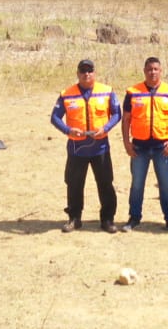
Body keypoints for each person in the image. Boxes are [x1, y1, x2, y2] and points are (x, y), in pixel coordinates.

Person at [50, 59, 121, 233]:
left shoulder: (107, 91)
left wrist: (105, 128)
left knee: (105, 184)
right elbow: (55, 117)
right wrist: (68, 130)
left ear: (94, 73)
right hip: (77, 149)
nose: (86, 74)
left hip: (100, 147)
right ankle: (74, 218)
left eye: (89, 71)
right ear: (77, 73)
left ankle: (107, 220)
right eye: (83, 71)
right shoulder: (67, 94)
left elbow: (117, 114)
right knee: (74, 184)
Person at [120, 56, 168, 232]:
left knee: (166, 185)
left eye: (155, 69)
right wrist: (126, 142)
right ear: (144, 71)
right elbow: (126, 119)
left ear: (161, 71)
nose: (152, 72)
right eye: (149, 69)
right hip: (139, 147)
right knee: (137, 184)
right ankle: (134, 218)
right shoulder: (133, 92)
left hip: (162, 148)